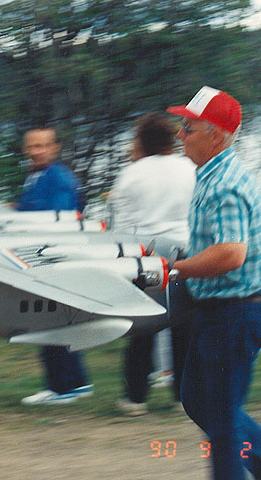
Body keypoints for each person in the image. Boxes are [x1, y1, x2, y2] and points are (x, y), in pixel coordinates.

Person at [168, 86, 261, 479]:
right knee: (196, 401)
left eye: (188, 127)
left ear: (217, 135)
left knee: (220, 425)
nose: (179, 134)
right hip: (221, 312)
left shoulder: (224, 184)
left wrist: (175, 269)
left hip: (233, 313)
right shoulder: (212, 174)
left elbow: (231, 253)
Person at [107, 112, 196, 416]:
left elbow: (121, 225)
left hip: (146, 255)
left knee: (141, 327)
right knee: (183, 327)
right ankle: (182, 397)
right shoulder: (188, 168)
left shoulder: (131, 174)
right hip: (185, 252)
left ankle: (136, 398)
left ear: (141, 141)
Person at [16, 127, 94, 406]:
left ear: (54, 148)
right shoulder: (35, 178)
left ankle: (69, 386)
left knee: (54, 321)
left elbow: (59, 222)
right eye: (32, 146)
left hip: (52, 261)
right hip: (37, 260)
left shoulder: (59, 179)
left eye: (43, 146)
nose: (37, 151)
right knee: (46, 321)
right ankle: (62, 384)